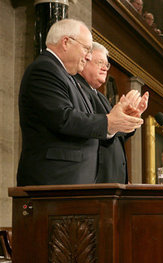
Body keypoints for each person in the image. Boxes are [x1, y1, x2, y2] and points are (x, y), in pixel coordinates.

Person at [17, 19, 143, 186]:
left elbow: (84, 120)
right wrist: (109, 122)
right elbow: (63, 118)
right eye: (86, 49)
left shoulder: (66, 76)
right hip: (55, 181)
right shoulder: (45, 69)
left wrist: (116, 121)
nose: (88, 56)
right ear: (66, 42)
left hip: (73, 181)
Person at [75, 42, 148, 183]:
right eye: (100, 62)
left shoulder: (100, 96)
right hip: (95, 179)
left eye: (107, 65)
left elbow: (113, 135)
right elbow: (90, 128)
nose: (105, 68)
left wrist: (129, 119)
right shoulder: (77, 90)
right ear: (85, 60)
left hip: (112, 180)